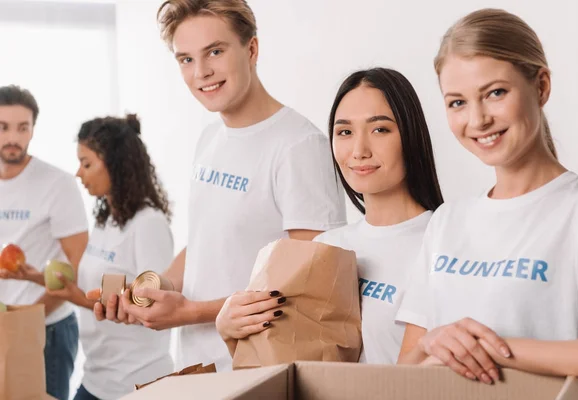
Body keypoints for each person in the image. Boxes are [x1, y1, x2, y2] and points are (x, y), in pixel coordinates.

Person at [97, 0, 346, 372]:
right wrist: (158, 286)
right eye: (185, 59)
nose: (202, 72)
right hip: (197, 365)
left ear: (252, 49)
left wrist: (189, 312)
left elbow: (312, 286)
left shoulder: (298, 146)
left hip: (262, 371)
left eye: (215, 51)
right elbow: (205, 243)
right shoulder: (210, 137)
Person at [396, 8, 578, 385]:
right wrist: (432, 342)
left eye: (495, 93)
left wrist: (496, 347)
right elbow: (402, 372)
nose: (478, 120)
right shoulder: (446, 222)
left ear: (541, 86)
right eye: (457, 102)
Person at [216, 67, 444, 365]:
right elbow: (285, 361)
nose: (359, 150)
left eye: (380, 129)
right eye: (345, 132)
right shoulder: (324, 248)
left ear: (411, 135)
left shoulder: (442, 243)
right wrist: (231, 330)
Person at [41, 114, 175, 399]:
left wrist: (74, 297)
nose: (79, 173)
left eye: (86, 163)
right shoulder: (106, 220)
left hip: (138, 384)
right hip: (96, 378)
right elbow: (99, 286)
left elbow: (155, 308)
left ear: (115, 164)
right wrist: (31, 275)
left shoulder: (148, 223)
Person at [0, 85, 89, 400]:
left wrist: (25, 321)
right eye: (3, 127)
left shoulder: (57, 184)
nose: (13, 137)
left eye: (22, 127)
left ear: (33, 130)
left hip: (47, 330)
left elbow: (79, 266)